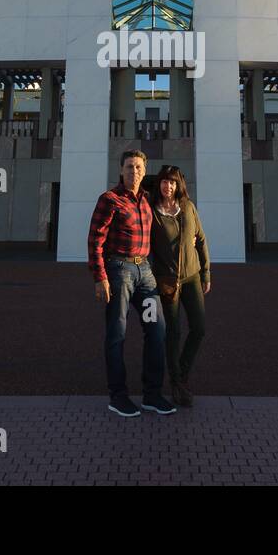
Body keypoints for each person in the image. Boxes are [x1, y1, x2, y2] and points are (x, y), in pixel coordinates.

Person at [88, 149, 176, 417]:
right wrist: (100, 277)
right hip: (119, 271)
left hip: (145, 273)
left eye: (138, 167)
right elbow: (95, 240)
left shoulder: (147, 200)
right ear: (121, 170)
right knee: (117, 333)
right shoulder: (110, 199)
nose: (134, 171)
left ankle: (151, 395)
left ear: (144, 170)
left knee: (156, 329)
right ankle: (118, 396)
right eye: (129, 167)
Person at [147, 165, 211, 408]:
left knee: (199, 328)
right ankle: (176, 382)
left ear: (179, 184)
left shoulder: (188, 208)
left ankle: (181, 373)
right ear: (159, 184)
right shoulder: (153, 213)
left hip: (192, 277)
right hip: (167, 281)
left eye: (173, 182)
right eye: (164, 181)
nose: (168, 186)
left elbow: (201, 240)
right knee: (173, 333)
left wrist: (206, 273)